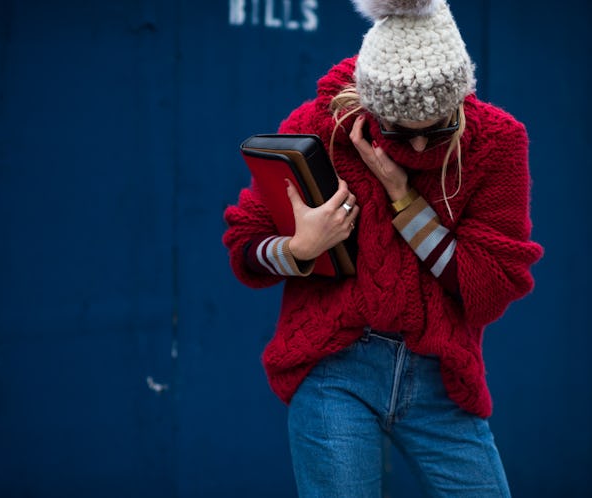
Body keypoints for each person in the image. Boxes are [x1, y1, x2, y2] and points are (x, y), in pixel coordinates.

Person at [223, 0, 543, 496]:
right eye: (398, 131)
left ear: (460, 99)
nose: (417, 148)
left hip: (442, 376)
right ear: (369, 106)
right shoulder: (319, 126)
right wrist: (299, 248)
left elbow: (490, 288)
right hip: (335, 369)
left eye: (435, 130)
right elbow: (243, 243)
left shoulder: (496, 143)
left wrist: (403, 198)